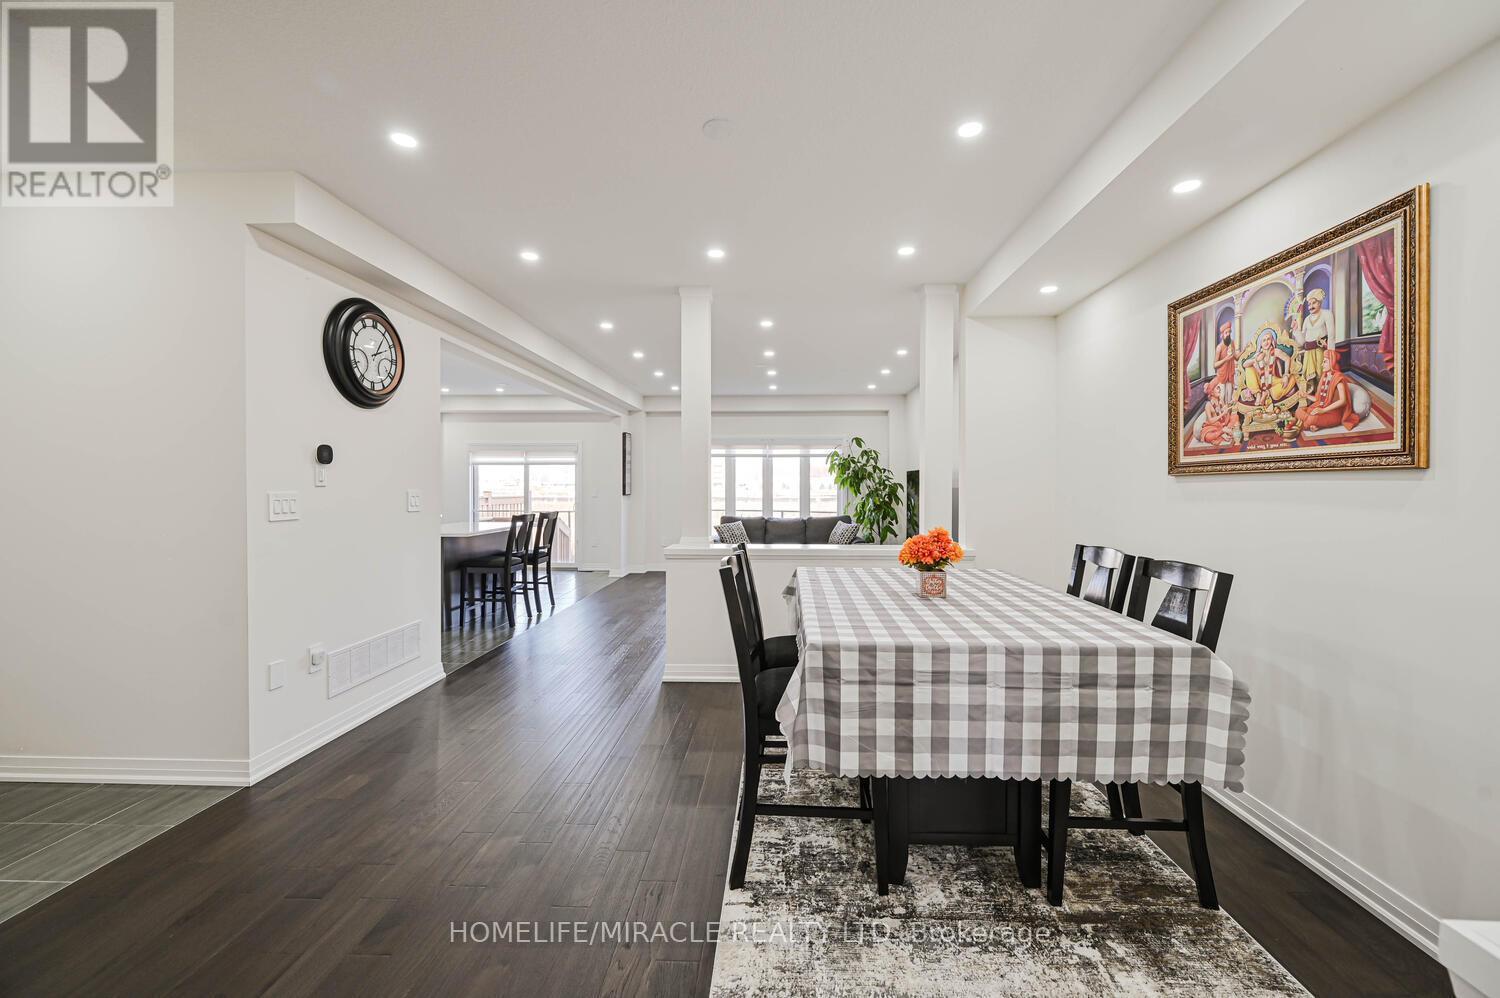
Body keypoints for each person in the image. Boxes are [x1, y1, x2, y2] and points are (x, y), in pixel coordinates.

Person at [1293, 346, 1360, 433]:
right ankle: (1313, 423)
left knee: (1311, 419)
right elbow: (1318, 399)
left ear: (1332, 362)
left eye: (1324, 362)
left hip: (1334, 413)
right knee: (1298, 411)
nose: (1322, 365)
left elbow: (1343, 401)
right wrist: (1306, 395)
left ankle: (1310, 423)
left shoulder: (1338, 377)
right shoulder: (1324, 376)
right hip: (1321, 408)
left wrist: (1323, 410)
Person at [1297, 288, 1335, 385]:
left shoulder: (1327, 314)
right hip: (1308, 352)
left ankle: (1321, 396)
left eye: (1313, 303)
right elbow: (1302, 341)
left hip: (1321, 350)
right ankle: (1312, 396)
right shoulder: (1306, 319)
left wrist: (1330, 355)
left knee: (1320, 375)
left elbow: (1331, 336)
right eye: (1309, 304)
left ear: (1320, 303)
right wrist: (1295, 330)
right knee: (1309, 379)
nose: (1310, 306)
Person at [1209, 321, 1236, 400]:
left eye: (1229, 332)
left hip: (1230, 374)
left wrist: (1244, 350)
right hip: (1222, 375)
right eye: (1226, 332)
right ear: (1222, 335)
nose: (1228, 334)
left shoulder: (1232, 343)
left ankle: (1228, 412)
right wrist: (1225, 359)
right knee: (1223, 396)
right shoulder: (1219, 347)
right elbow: (1215, 365)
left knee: (1230, 396)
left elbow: (1236, 357)